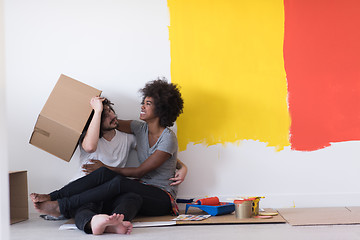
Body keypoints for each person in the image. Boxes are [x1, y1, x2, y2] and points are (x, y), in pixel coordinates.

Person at [31, 78, 185, 235]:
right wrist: (97, 111)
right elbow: (113, 124)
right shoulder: (139, 129)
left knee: (115, 180)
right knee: (129, 197)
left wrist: (106, 168)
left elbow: (141, 171)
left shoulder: (168, 138)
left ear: (161, 109)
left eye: (148, 104)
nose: (142, 106)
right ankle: (114, 222)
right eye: (143, 102)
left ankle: (61, 206)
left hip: (163, 197)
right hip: (142, 190)